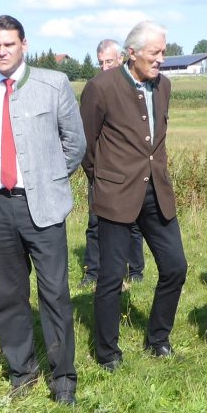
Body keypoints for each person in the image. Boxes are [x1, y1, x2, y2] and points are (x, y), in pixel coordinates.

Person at [0, 15, 83, 403]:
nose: (1, 52)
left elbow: (75, 144)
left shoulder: (53, 84)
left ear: (24, 45)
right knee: (9, 296)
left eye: (8, 44)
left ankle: (63, 380)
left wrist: (46, 179)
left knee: (54, 294)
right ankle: (22, 375)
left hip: (42, 206)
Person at [80, 20, 188, 371]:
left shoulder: (164, 86)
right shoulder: (101, 87)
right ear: (132, 53)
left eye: (163, 52)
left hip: (157, 191)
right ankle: (107, 352)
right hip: (115, 194)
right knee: (111, 276)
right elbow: (86, 145)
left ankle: (158, 339)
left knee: (175, 266)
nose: (161, 59)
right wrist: (104, 181)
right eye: (155, 52)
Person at [79, 38, 145, 289]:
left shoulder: (136, 89)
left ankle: (135, 270)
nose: (105, 67)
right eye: (101, 63)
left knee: (135, 222)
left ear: (121, 59)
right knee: (95, 222)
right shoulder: (95, 89)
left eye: (109, 61)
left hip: (132, 171)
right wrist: (94, 172)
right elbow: (87, 136)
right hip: (102, 172)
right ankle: (92, 272)